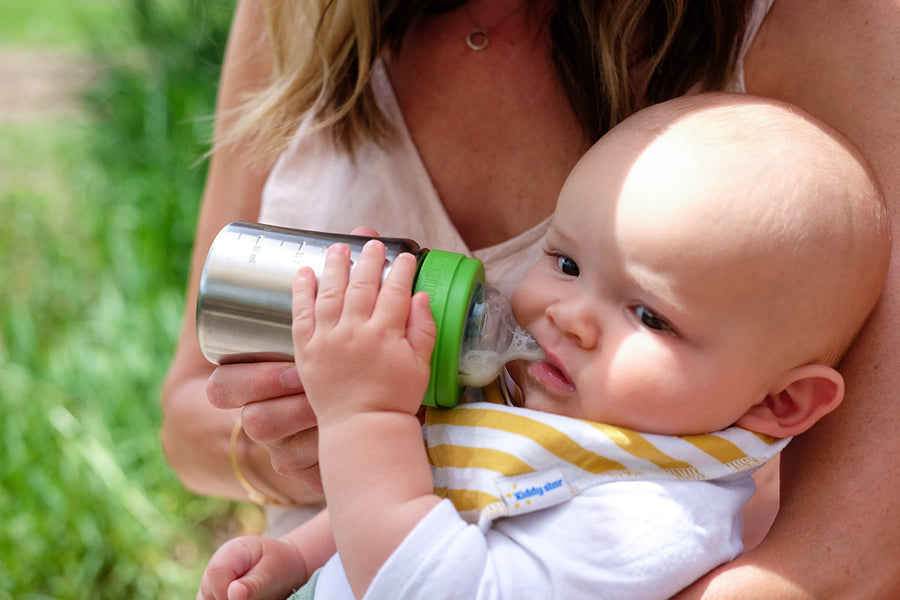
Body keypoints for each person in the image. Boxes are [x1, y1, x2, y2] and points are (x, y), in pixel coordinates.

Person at [164, 1, 900, 596]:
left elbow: (434, 580)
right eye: (566, 262)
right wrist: (295, 559)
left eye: (650, 316)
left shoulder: (651, 515)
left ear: (784, 405)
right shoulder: (551, 419)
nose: (569, 318)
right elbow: (455, 481)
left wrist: (363, 419)